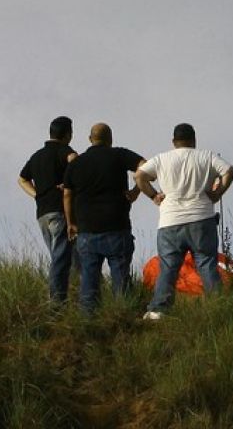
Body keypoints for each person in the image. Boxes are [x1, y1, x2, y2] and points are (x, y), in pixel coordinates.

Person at [136, 123, 233, 320]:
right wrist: (217, 193)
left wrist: (154, 196)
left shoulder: (162, 159)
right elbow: (229, 170)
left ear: (174, 142)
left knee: (168, 267)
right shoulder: (205, 156)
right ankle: (219, 307)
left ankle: (158, 310)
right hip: (201, 218)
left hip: (169, 221)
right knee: (206, 264)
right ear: (194, 140)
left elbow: (139, 176)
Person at [63, 123, 144, 314]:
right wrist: (136, 191)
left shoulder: (76, 164)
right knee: (121, 280)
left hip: (87, 231)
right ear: (110, 139)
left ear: (90, 139)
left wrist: (70, 223)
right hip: (117, 227)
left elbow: (67, 194)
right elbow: (144, 166)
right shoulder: (119, 155)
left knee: (89, 282)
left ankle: (88, 325)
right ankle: (123, 320)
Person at [17, 115, 77, 303]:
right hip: (60, 211)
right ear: (67, 135)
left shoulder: (36, 156)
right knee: (61, 257)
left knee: (58, 256)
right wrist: (69, 181)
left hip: (42, 212)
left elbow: (21, 179)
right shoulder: (64, 150)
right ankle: (56, 301)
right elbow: (74, 160)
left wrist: (36, 194)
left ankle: (67, 295)